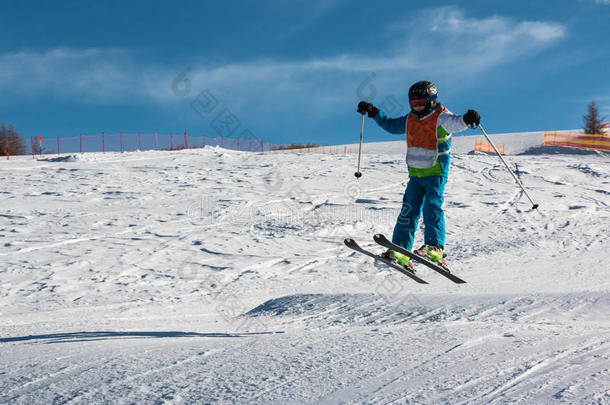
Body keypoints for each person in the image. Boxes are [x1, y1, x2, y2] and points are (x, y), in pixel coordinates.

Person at [357, 80, 480, 270]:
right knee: (408, 211)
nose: (417, 106)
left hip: (436, 172)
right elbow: (391, 126)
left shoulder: (441, 117)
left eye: (421, 103)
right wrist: (374, 112)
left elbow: (456, 123)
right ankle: (400, 250)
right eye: (413, 103)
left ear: (431, 100)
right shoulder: (409, 120)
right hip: (415, 174)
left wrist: (467, 119)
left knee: (432, 207)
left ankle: (435, 248)